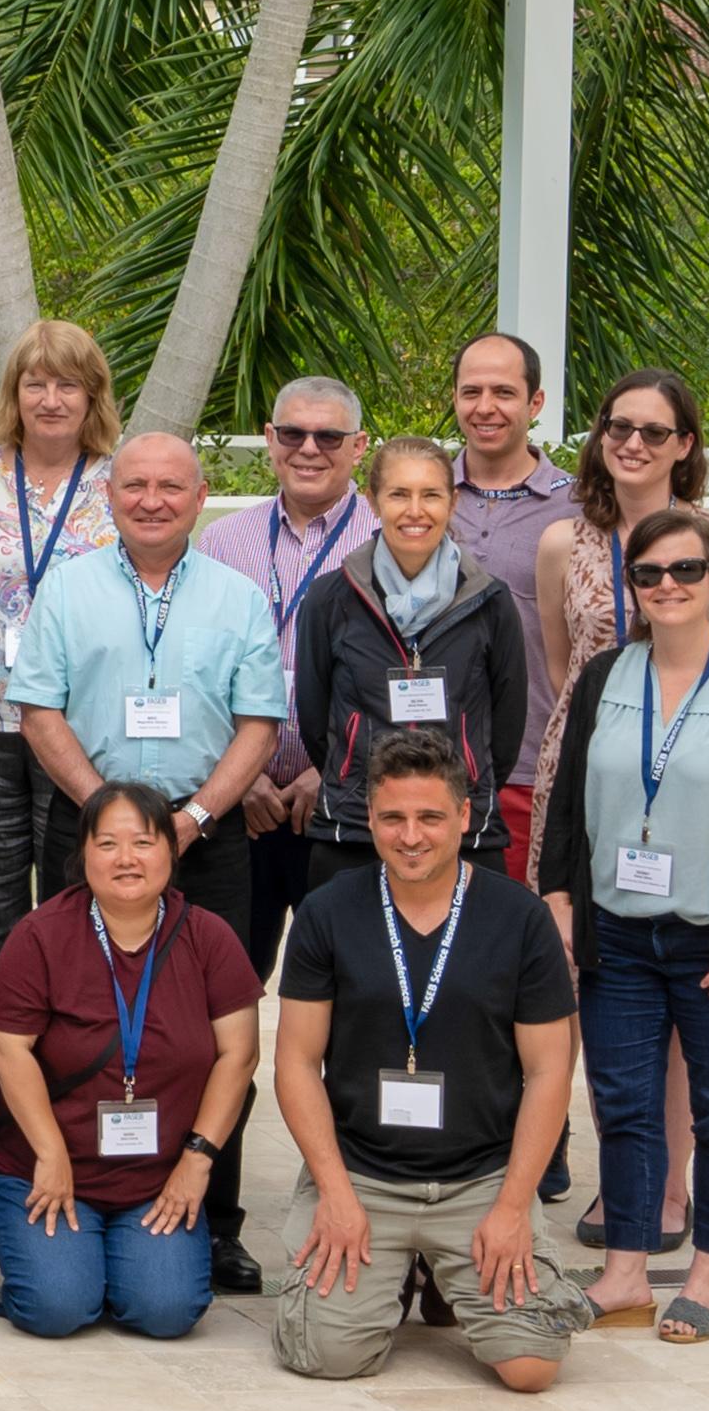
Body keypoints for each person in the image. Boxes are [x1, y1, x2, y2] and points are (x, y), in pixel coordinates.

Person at [9, 431, 286, 1292]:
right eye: (136, 486)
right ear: (110, 496)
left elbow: (260, 723)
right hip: (87, 837)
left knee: (212, 1032)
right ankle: (78, 1186)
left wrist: (196, 817)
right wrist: (112, 822)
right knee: (77, 1018)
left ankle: (215, 1219)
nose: (153, 500)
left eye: (172, 486)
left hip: (211, 839)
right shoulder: (67, 588)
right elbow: (38, 709)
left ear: (202, 498)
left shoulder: (241, 598)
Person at [552, 503, 709, 1345]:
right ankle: (626, 1272)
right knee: (623, 1107)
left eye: (686, 571)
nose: (668, 586)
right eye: (649, 573)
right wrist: (559, 900)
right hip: (618, 937)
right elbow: (565, 808)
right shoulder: (602, 679)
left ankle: (708, 1275)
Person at [535, 363, 709, 1251]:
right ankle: (624, 1181)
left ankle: (671, 1187)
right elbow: (567, 675)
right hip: (594, 782)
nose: (632, 443)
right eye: (616, 426)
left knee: (690, 988)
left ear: (686, 445)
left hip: (704, 795)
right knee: (608, 988)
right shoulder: (565, 542)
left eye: (654, 431)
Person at [275, 747, 586, 1388]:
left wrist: (511, 1207)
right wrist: (334, 1195)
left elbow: (550, 1074)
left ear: (465, 817)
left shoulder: (520, 919)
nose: (410, 836)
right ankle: (402, 1273)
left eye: (429, 817)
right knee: (330, 1358)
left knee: (530, 1368)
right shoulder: (327, 913)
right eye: (392, 818)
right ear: (368, 817)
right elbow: (297, 1063)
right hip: (364, 1178)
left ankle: (440, 1266)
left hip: (478, 1180)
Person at [0, 316, 123, 1137]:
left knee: (86, 917)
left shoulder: (119, 482)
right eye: (35, 382)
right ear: (14, 394)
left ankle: (75, 1102)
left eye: (67, 382)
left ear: (92, 396)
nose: (49, 397)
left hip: (85, 730)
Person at [0, 779, 257, 1342]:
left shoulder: (209, 937)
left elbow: (240, 1054)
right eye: (107, 844)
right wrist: (50, 1152)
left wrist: (197, 1161)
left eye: (144, 842)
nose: (126, 858)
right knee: (55, 1309)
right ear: (82, 856)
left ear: (171, 853)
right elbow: (7, 1047)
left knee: (167, 1312)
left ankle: (109, 1263)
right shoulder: (40, 936)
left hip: (158, 1177)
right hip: (53, 1167)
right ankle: (72, 1268)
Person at [288, 436, 529, 887]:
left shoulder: (491, 601)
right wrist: (354, 776)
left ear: (453, 502)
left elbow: (507, 726)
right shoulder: (328, 599)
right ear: (372, 502)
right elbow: (316, 721)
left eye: (431, 495)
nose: (414, 511)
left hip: (464, 830)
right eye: (399, 494)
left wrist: (465, 785)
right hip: (354, 829)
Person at [194, 374, 370, 971]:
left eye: (328, 435)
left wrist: (334, 771)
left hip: (344, 803)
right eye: (293, 433)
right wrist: (240, 780)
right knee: (226, 983)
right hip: (243, 806)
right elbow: (193, 673)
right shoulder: (220, 542)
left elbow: (404, 679)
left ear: (359, 446)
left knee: (346, 981)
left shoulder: (386, 544)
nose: (309, 448)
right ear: (270, 439)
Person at [443, 329, 579, 877]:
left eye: (503, 392)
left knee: (524, 940)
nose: (485, 407)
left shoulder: (579, 505)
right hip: (428, 760)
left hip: (529, 765)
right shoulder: (422, 495)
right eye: (470, 392)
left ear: (535, 402)